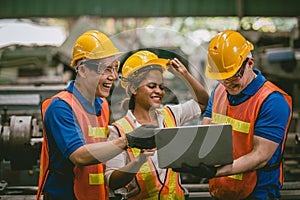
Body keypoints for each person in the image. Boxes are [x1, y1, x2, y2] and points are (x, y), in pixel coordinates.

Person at [36, 30, 157, 200]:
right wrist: (128, 140)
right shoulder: (61, 107)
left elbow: (98, 143)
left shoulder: (102, 105)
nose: (113, 76)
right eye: (106, 69)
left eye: (115, 68)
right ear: (83, 70)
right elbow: (79, 156)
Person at [174, 30, 293, 200]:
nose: (228, 83)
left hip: (257, 192)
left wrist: (215, 171)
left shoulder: (272, 100)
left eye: (233, 76)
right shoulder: (219, 91)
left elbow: (260, 156)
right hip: (221, 187)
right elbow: (206, 130)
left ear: (249, 63)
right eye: (222, 78)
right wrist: (188, 156)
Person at [105, 50, 209, 199]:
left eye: (161, 87)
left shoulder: (172, 114)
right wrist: (138, 161)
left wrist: (184, 74)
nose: (159, 92)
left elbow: (204, 103)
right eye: (152, 86)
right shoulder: (119, 130)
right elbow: (111, 180)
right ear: (134, 89)